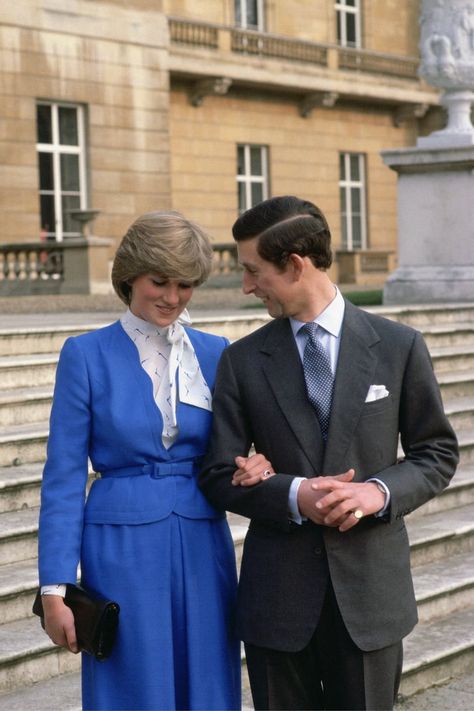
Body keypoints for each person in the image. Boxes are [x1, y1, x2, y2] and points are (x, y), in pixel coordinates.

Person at [199, 195, 459, 711]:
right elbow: (216, 473)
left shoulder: (399, 345)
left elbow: (436, 452)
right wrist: (293, 494)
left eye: (253, 272)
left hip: (371, 598)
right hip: (277, 603)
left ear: (295, 265)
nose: (247, 286)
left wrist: (376, 492)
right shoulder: (242, 359)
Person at [37, 210, 273, 711]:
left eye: (185, 284)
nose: (172, 296)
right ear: (129, 277)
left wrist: (259, 463)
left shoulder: (215, 353)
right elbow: (62, 477)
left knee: (207, 675)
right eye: (159, 281)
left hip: (202, 539)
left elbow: (241, 446)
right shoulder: (85, 354)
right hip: (118, 546)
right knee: (133, 683)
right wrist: (55, 586)